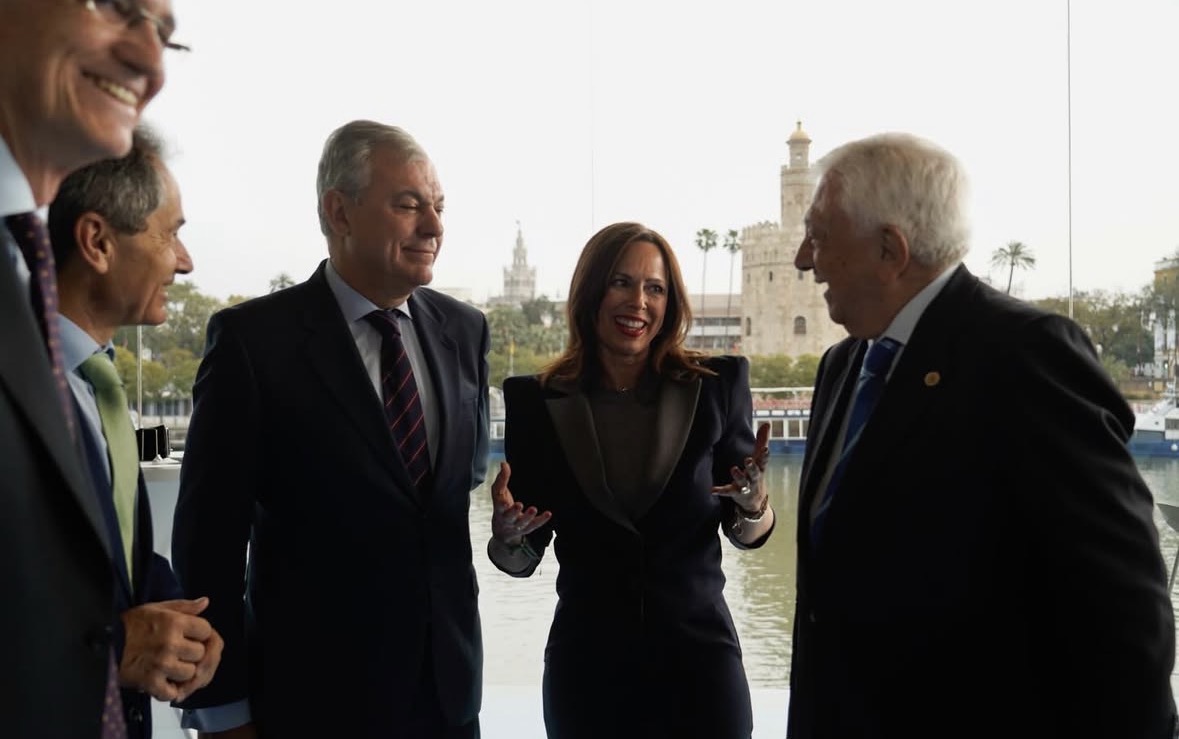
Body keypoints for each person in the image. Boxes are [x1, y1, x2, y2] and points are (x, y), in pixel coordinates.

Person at [787, 132, 1177, 738]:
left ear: (890, 248)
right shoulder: (842, 367)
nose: (803, 260)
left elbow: (1124, 614)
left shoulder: (1027, 355)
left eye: (819, 236)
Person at [171, 119, 491, 738]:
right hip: (309, 703)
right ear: (338, 212)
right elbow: (207, 546)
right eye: (408, 205)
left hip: (449, 703)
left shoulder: (465, 331)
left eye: (439, 207)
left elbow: (449, 499)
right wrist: (223, 712)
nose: (434, 227)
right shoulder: (253, 344)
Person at [488, 221, 774, 738]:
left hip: (700, 665)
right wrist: (508, 539)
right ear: (591, 290)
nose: (638, 301)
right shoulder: (536, 401)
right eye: (621, 282)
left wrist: (754, 505)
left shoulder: (718, 386)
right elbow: (521, 557)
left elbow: (745, 530)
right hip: (588, 670)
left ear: (670, 302)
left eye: (655, 288)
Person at [0, 0, 179, 735]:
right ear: (98, 242)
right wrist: (112, 647)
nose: (151, 60)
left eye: (168, 34)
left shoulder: (25, 286)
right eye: (119, 8)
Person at [48, 124, 223, 738]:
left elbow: (115, 560)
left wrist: (180, 625)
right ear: (97, 241)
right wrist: (114, 645)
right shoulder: (27, 395)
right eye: (171, 233)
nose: (184, 260)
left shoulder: (102, 391)